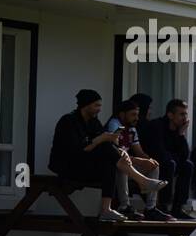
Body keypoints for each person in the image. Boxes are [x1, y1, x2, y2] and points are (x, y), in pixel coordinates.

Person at [48, 89, 165, 221]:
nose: (99, 109)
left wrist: (120, 151)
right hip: (68, 165)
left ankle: (106, 209)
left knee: (110, 160)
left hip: (86, 164)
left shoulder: (93, 122)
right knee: (105, 147)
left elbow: (104, 146)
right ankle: (142, 181)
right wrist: (100, 139)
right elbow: (77, 151)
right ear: (86, 105)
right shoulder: (68, 121)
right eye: (96, 105)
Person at [103, 99, 160, 220]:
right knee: (123, 165)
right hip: (113, 167)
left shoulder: (132, 129)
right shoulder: (114, 125)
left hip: (128, 163)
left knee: (154, 166)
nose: (137, 118)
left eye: (137, 115)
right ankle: (125, 206)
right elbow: (116, 154)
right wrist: (140, 161)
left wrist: (149, 161)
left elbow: (139, 152)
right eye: (133, 114)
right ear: (122, 114)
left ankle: (151, 208)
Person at [141, 99, 196, 221]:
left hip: (168, 164)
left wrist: (181, 135)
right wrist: (175, 158)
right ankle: (163, 206)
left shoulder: (177, 130)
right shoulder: (157, 126)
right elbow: (160, 153)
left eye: (186, 114)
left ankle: (178, 208)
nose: (185, 118)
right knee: (170, 163)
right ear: (170, 115)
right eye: (181, 114)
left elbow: (185, 156)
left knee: (188, 165)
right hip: (150, 165)